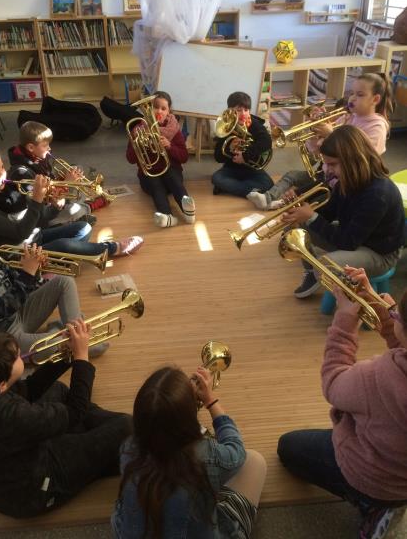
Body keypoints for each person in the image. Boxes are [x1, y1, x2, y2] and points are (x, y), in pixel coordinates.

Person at [277, 267, 407, 539]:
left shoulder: (377, 378)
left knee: (288, 447)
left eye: (397, 314)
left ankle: (371, 508)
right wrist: (378, 305)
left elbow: (334, 383)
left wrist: (345, 321)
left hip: (374, 479)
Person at [0, 323, 132, 518]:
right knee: (127, 426)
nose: (19, 353)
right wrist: (82, 358)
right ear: (1, 386)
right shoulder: (10, 416)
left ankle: (91, 435)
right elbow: (74, 412)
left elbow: (28, 390)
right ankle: (112, 450)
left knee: (56, 390)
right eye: (15, 357)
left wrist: (66, 353)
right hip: (37, 489)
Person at [111, 365, 267, 539]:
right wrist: (210, 401)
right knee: (255, 461)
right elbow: (236, 450)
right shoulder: (207, 456)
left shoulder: (128, 448)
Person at [280, 125, 405, 298]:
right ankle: (311, 272)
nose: (328, 170)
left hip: (381, 253)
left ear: (353, 160)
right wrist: (300, 211)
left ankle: (352, 306)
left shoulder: (378, 193)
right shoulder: (346, 180)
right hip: (359, 238)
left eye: (332, 164)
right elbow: (329, 213)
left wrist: (312, 217)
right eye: (326, 163)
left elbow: (347, 242)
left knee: (327, 265)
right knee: (296, 228)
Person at [0, 147, 143, 257]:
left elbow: (40, 220)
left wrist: (55, 204)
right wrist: (37, 200)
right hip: (19, 253)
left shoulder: (12, 186)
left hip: (36, 238)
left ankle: (61, 259)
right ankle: (113, 248)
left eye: (2, 168)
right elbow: (19, 233)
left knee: (83, 228)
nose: (3, 174)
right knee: (65, 245)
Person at [249, 72, 393, 211]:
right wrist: (315, 131)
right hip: (327, 174)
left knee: (303, 205)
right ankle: (268, 199)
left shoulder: (377, 126)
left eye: (360, 95)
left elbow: (363, 159)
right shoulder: (347, 117)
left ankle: (285, 204)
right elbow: (318, 152)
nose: (352, 98)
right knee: (292, 177)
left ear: (375, 99)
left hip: (346, 182)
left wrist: (331, 134)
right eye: (352, 93)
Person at [0, 211, 86, 355]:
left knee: (64, 281)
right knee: (60, 346)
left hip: (19, 313)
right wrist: (27, 275)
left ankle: (76, 334)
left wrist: (35, 270)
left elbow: (15, 282)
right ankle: (71, 338)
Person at [126, 91, 196, 228]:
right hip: (149, 176)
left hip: (171, 175)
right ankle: (167, 216)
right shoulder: (138, 130)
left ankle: (187, 209)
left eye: (163, 108)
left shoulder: (174, 129)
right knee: (155, 182)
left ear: (169, 111)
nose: (159, 111)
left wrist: (170, 146)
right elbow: (130, 159)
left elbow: (184, 157)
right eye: (155, 107)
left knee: (172, 176)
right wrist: (138, 144)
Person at [7, 120, 97, 226]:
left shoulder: (37, 157)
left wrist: (63, 179)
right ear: (31, 147)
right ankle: (86, 208)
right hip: (42, 215)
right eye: (45, 145)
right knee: (76, 210)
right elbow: (42, 208)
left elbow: (51, 182)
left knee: (77, 168)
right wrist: (67, 183)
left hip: (55, 199)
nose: (49, 148)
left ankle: (78, 207)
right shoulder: (21, 173)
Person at [211, 91, 273, 199]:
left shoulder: (255, 124)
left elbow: (267, 141)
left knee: (269, 184)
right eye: (238, 110)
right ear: (230, 111)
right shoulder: (226, 126)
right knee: (216, 178)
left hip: (252, 169)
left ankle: (231, 187)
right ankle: (253, 192)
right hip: (231, 169)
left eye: (246, 110)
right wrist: (229, 148)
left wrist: (245, 156)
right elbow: (217, 157)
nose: (243, 114)